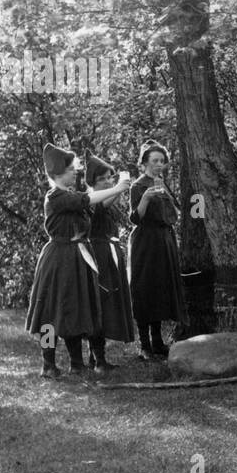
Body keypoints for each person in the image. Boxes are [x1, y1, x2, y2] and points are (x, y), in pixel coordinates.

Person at [26, 144, 131, 377]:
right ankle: (48, 364)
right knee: (51, 313)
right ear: (57, 173)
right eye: (71, 169)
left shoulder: (69, 195)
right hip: (59, 258)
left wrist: (117, 190)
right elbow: (86, 200)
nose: (75, 172)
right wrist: (119, 187)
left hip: (76, 256)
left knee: (75, 309)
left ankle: (76, 363)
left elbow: (95, 204)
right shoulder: (56, 196)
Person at [128, 139, 187, 360]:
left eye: (162, 161)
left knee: (160, 289)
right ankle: (144, 345)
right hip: (145, 242)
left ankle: (158, 341)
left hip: (164, 241)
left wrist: (166, 195)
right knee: (145, 290)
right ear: (144, 163)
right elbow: (135, 218)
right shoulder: (138, 186)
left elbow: (175, 214)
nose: (159, 165)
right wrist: (145, 198)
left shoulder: (162, 184)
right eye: (154, 161)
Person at [84, 151, 137, 370]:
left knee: (107, 302)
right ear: (92, 182)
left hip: (108, 253)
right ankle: (98, 359)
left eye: (109, 177)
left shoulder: (106, 199)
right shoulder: (89, 200)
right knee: (99, 302)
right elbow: (99, 207)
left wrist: (118, 190)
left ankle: (96, 356)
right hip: (97, 255)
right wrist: (119, 188)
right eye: (102, 179)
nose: (107, 181)